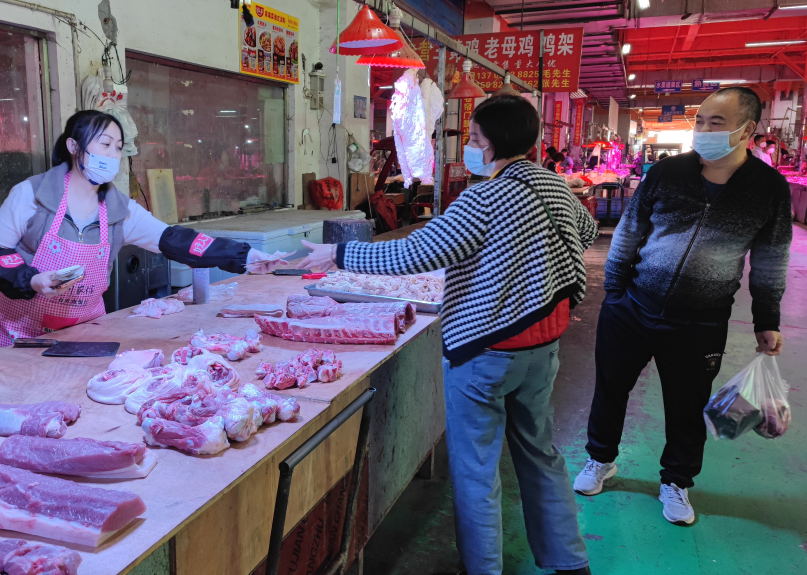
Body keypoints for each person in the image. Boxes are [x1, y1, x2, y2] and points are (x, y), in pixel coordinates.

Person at [300, 95, 598, 575]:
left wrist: (338, 256)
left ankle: (482, 569)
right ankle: (570, 562)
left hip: (487, 350)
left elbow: (414, 254)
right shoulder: (553, 185)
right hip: (542, 347)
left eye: (475, 138)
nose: (470, 148)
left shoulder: (485, 197)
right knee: (540, 454)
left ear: (494, 143)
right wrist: (525, 268)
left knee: (476, 468)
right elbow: (585, 232)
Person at [574, 87, 791, 525]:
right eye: (700, 121)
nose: (704, 130)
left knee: (688, 406)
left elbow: (771, 259)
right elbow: (629, 232)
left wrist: (767, 319)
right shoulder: (667, 173)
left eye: (717, 123)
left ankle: (676, 480)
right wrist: (614, 294)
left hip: (700, 322)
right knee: (611, 389)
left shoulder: (769, 188)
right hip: (633, 308)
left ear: (747, 130)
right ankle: (601, 459)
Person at [0, 110, 286, 346]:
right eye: (104, 144)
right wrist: (31, 279)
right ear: (73, 146)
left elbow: (174, 239)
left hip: (84, 332)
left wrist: (244, 256)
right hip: (24, 332)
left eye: (118, 148)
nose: (112, 155)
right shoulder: (31, 194)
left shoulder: (119, 210)